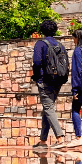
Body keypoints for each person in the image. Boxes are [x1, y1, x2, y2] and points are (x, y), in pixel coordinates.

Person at [32, 19, 67, 149]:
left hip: (45, 80)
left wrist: (37, 77)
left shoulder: (41, 44)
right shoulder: (59, 45)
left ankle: (60, 138)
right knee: (47, 108)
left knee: (48, 108)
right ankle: (43, 141)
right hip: (58, 81)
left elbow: (37, 62)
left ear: (42, 31)